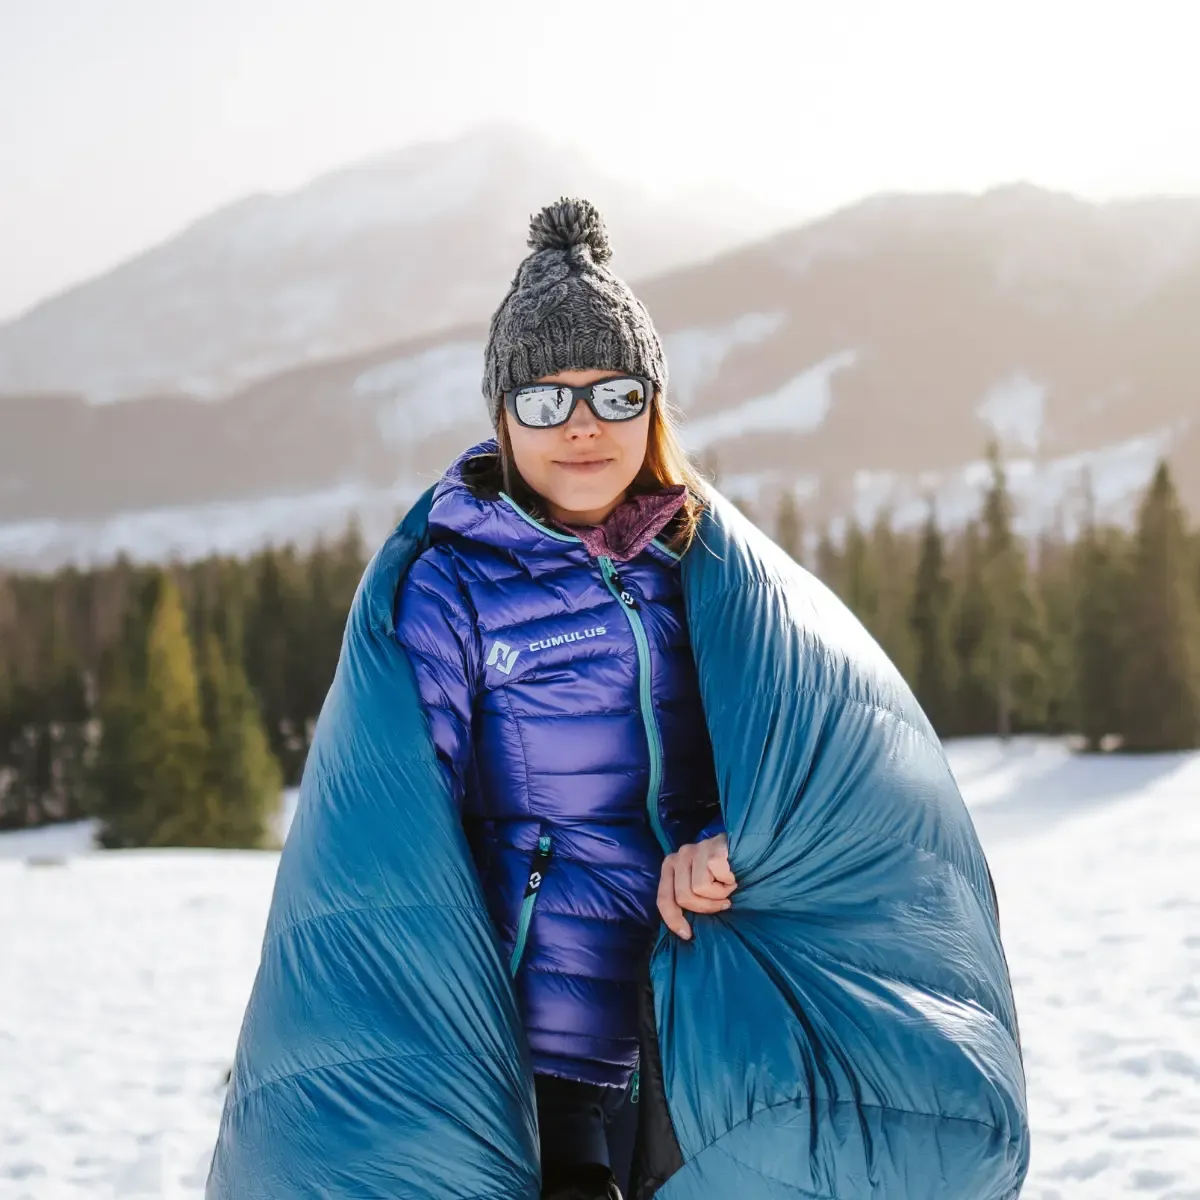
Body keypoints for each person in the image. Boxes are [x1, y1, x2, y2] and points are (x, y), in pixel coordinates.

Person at [392, 197, 734, 1200]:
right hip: (541, 1035)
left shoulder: (701, 565)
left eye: (615, 394)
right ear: (503, 417)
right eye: (546, 399)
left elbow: (771, 747)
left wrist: (725, 842)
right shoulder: (454, 587)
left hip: (694, 1005)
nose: (582, 427)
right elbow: (411, 812)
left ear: (653, 407)